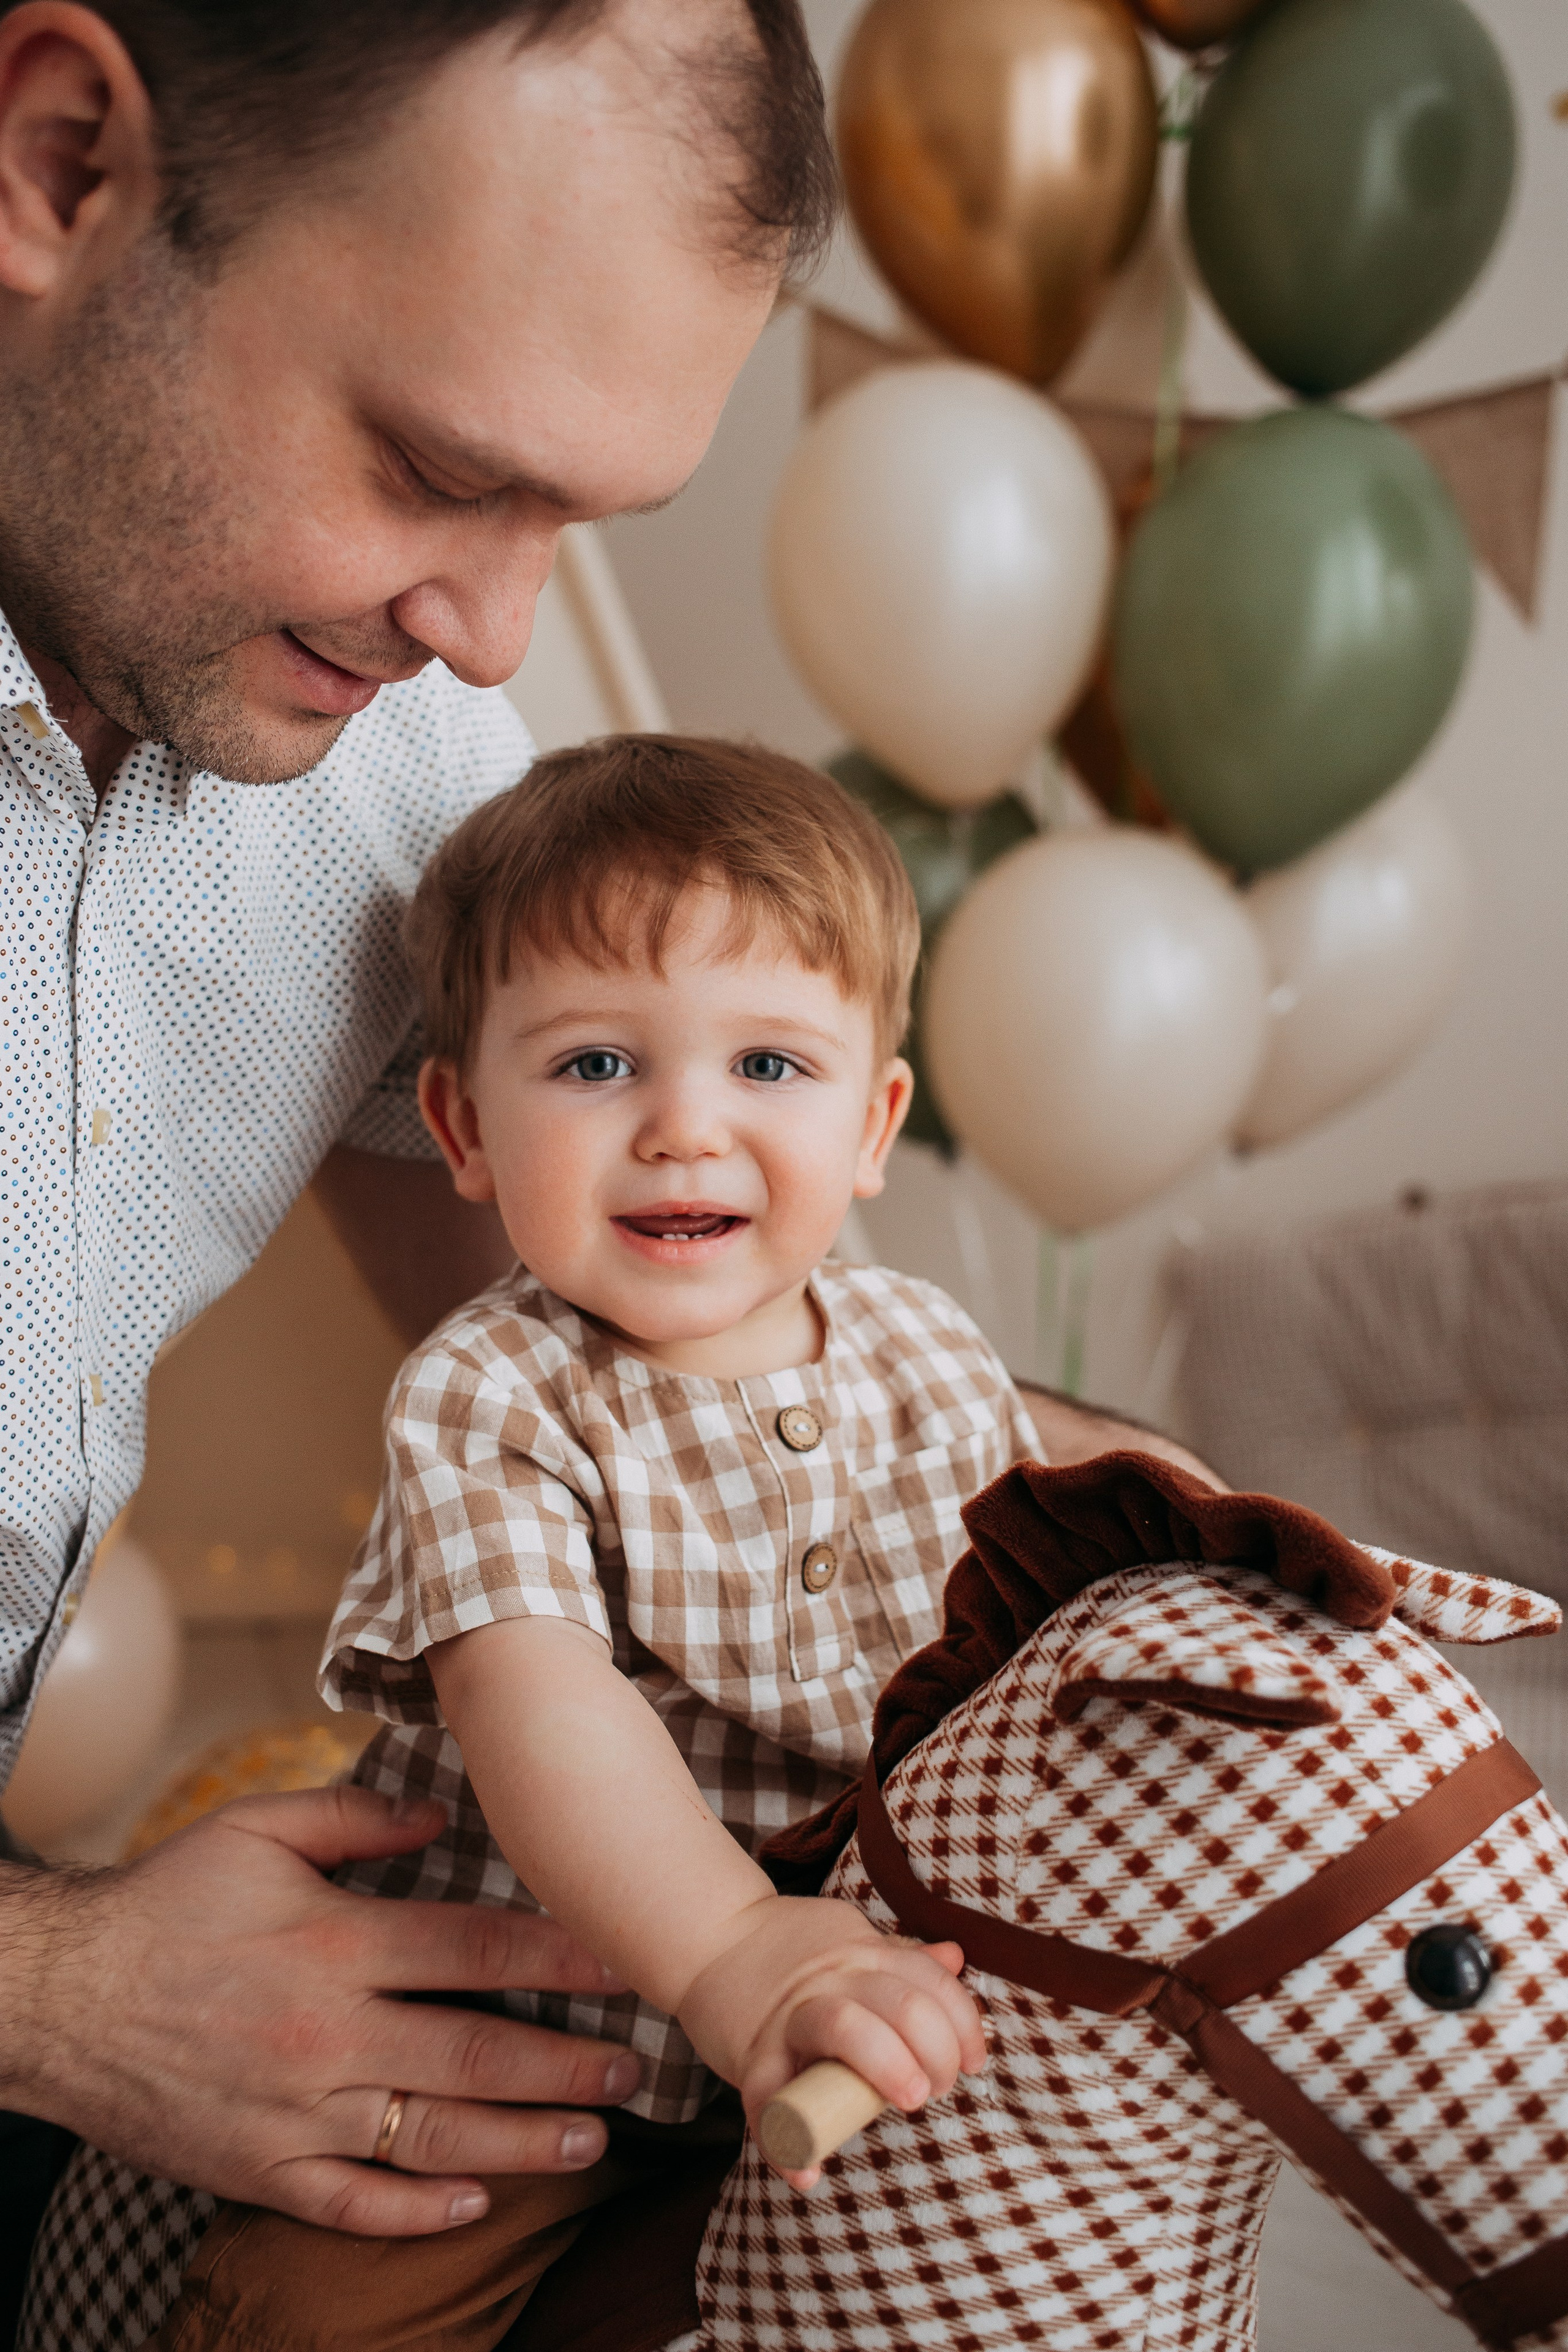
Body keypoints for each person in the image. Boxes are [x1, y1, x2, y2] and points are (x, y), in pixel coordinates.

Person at [0, 0, 1212, 2329]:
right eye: (436, 466)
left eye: (572, 522)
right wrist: (60, 1995)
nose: (496, 637)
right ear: (60, 165)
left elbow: (652, 1347)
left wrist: (1184, 1549)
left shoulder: (390, 732)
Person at [55, 734, 1028, 2350]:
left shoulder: (933, 1358)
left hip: (847, 1999)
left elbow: (1029, 1648)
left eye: (767, 1065)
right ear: (463, 1126)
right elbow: (545, 1711)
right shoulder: (492, 1394)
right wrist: (732, 1950)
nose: (683, 1128)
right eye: (595, 1066)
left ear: (875, 1122)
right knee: (319, 2313)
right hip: (536, 2048)